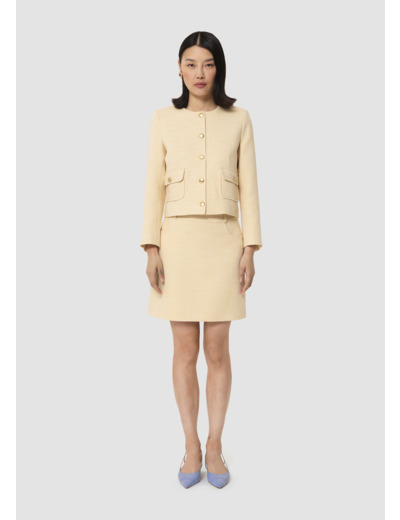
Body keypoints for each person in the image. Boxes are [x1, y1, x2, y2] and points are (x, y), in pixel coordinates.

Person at [140, 31, 262, 489]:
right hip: (177, 244)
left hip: (224, 244)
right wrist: (151, 247)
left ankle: (215, 445)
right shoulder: (163, 119)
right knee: (184, 350)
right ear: (178, 68)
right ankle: (190, 444)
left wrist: (250, 248)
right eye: (190, 64)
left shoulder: (240, 119)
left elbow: (250, 188)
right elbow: (152, 186)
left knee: (217, 350)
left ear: (219, 68)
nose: (199, 73)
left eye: (208, 64)